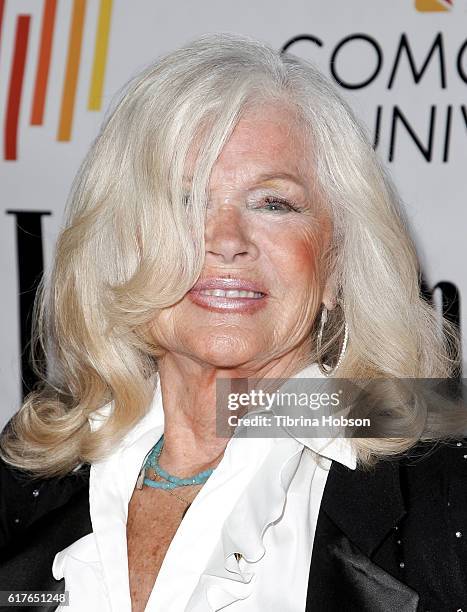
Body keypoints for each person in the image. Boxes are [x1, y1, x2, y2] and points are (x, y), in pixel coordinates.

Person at [0, 32, 465, 612]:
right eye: (185, 202)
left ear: (336, 261)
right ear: (121, 246)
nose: (225, 241)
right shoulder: (27, 482)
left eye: (274, 204)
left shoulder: (443, 482)